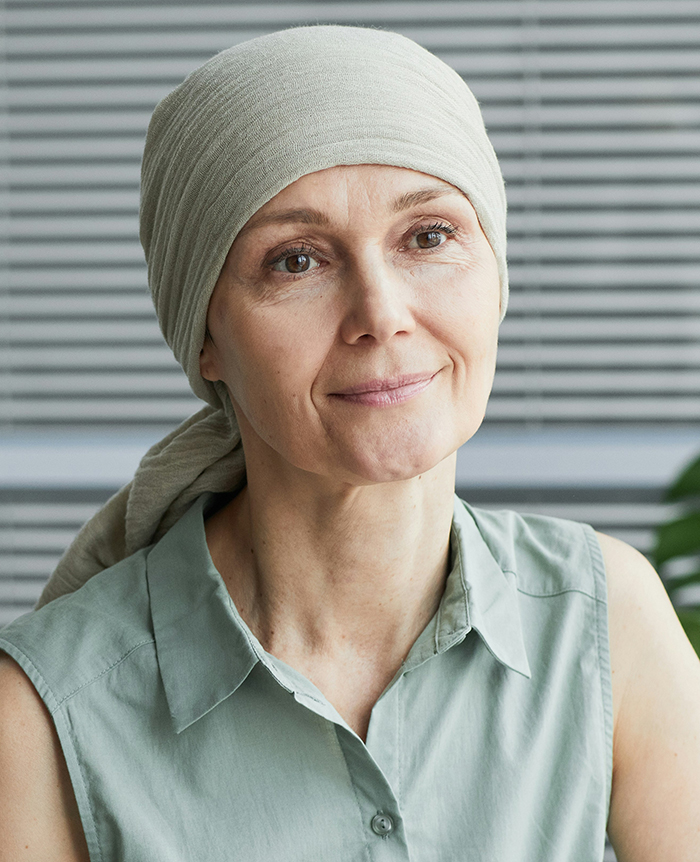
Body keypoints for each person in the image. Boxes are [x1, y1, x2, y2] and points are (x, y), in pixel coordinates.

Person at [1, 25, 699, 862]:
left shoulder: (606, 619)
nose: (382, 315)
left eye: (430, 237)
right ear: (205, 337)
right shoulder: (39, 715)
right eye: (296, 260)